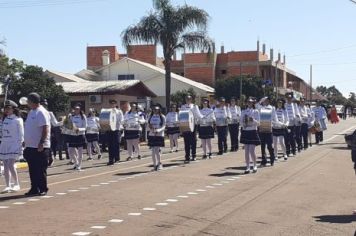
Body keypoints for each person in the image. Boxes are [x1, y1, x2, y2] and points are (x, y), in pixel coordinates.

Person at [24, 93, 51, 196]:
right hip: (30, 146)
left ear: (32, 101)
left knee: (40, 169)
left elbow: (45, 128)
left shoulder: (41, 112)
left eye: (28, 101)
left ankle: (43, 188)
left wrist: (42, 142)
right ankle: (34, 188)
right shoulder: (31, 112)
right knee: (32, 169)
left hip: (39, 146)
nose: (27, 103)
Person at [0, 100, 24, 193]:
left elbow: (21, 133)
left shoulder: (18, 120)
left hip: (14, 144)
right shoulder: (4, 119)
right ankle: (7, 185)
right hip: (5, 144)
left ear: (14, 109)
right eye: (6, 108)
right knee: (5, 165)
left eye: (8, 108)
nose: (6, 110)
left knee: (10, 164)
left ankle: (16, 183)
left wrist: (21, 144)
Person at [240, 97, 260, 174]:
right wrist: (243, 125)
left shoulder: (256, 111)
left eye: (251, 102)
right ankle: (247, 166)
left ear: (253, 103)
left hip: (253, 131)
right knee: (246, 151)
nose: (249, 103)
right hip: (246, 131)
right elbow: (241, 121)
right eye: (248, 102)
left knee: (252, 150)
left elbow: (259, 123)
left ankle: (254, 165)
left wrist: (253, 120)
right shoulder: (244, 111)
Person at [256, 97, 277, 166]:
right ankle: (264, 160)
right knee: (262, 145)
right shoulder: (260, 107)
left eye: (267, 100)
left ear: (269, 101)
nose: (266, 101)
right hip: (262, 129)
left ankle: (272, 158)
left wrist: (277, 123)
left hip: (269, 129)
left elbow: (274, 118)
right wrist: (262, 99)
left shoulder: (272, 108)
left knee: (269, 145)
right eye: (265, 101)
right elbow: (256, 105)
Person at [180, 95, 202, 163]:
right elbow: (181, 115)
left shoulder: (194, 106)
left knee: (193, 141)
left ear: (191, 99)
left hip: (193, 125)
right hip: (185, 125)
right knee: (186, 142)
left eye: (189, 99)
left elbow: (198, 115)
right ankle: (187, 156)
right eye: (187, 99)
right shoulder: (183, 107)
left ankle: (194, 155)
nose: (188, 100)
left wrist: (202, 117)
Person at [67, 104, 87, 171]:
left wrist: (79, 129)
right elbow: (68, 125)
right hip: (72, 135)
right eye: (75, 109)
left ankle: (79, 165)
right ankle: (76, 163)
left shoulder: (83, 117)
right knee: (70, 150)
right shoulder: (71, 117)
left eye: (78, 109)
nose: (76, 110)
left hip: (80, 135)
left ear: (80, 110)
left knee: (80, 151)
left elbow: (85, 127)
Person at [147, 106, 166, 171]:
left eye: (157, 109)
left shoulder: (162, 116)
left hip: (159, 135)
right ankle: (154, 165)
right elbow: (148, 125)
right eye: (154, 109)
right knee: (153, 151)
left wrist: (158, 130)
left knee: (157, 150)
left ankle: (159, 163)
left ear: (159, 110)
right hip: (152, 135)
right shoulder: (150, 116)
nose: (155, 110)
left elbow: (164, 126)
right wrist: (151, 130)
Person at [105, 100, 123, 165]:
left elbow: (121, 120)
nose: (112, 105)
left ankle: (117, 158)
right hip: (109, 130)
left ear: (115, 104)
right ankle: (111, 159)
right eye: (111, 103)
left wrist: (116, 123)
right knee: (110, 145)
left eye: (113, 103)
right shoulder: (107, 111)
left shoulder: (119, 111)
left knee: (116, 144)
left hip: (116, 129)